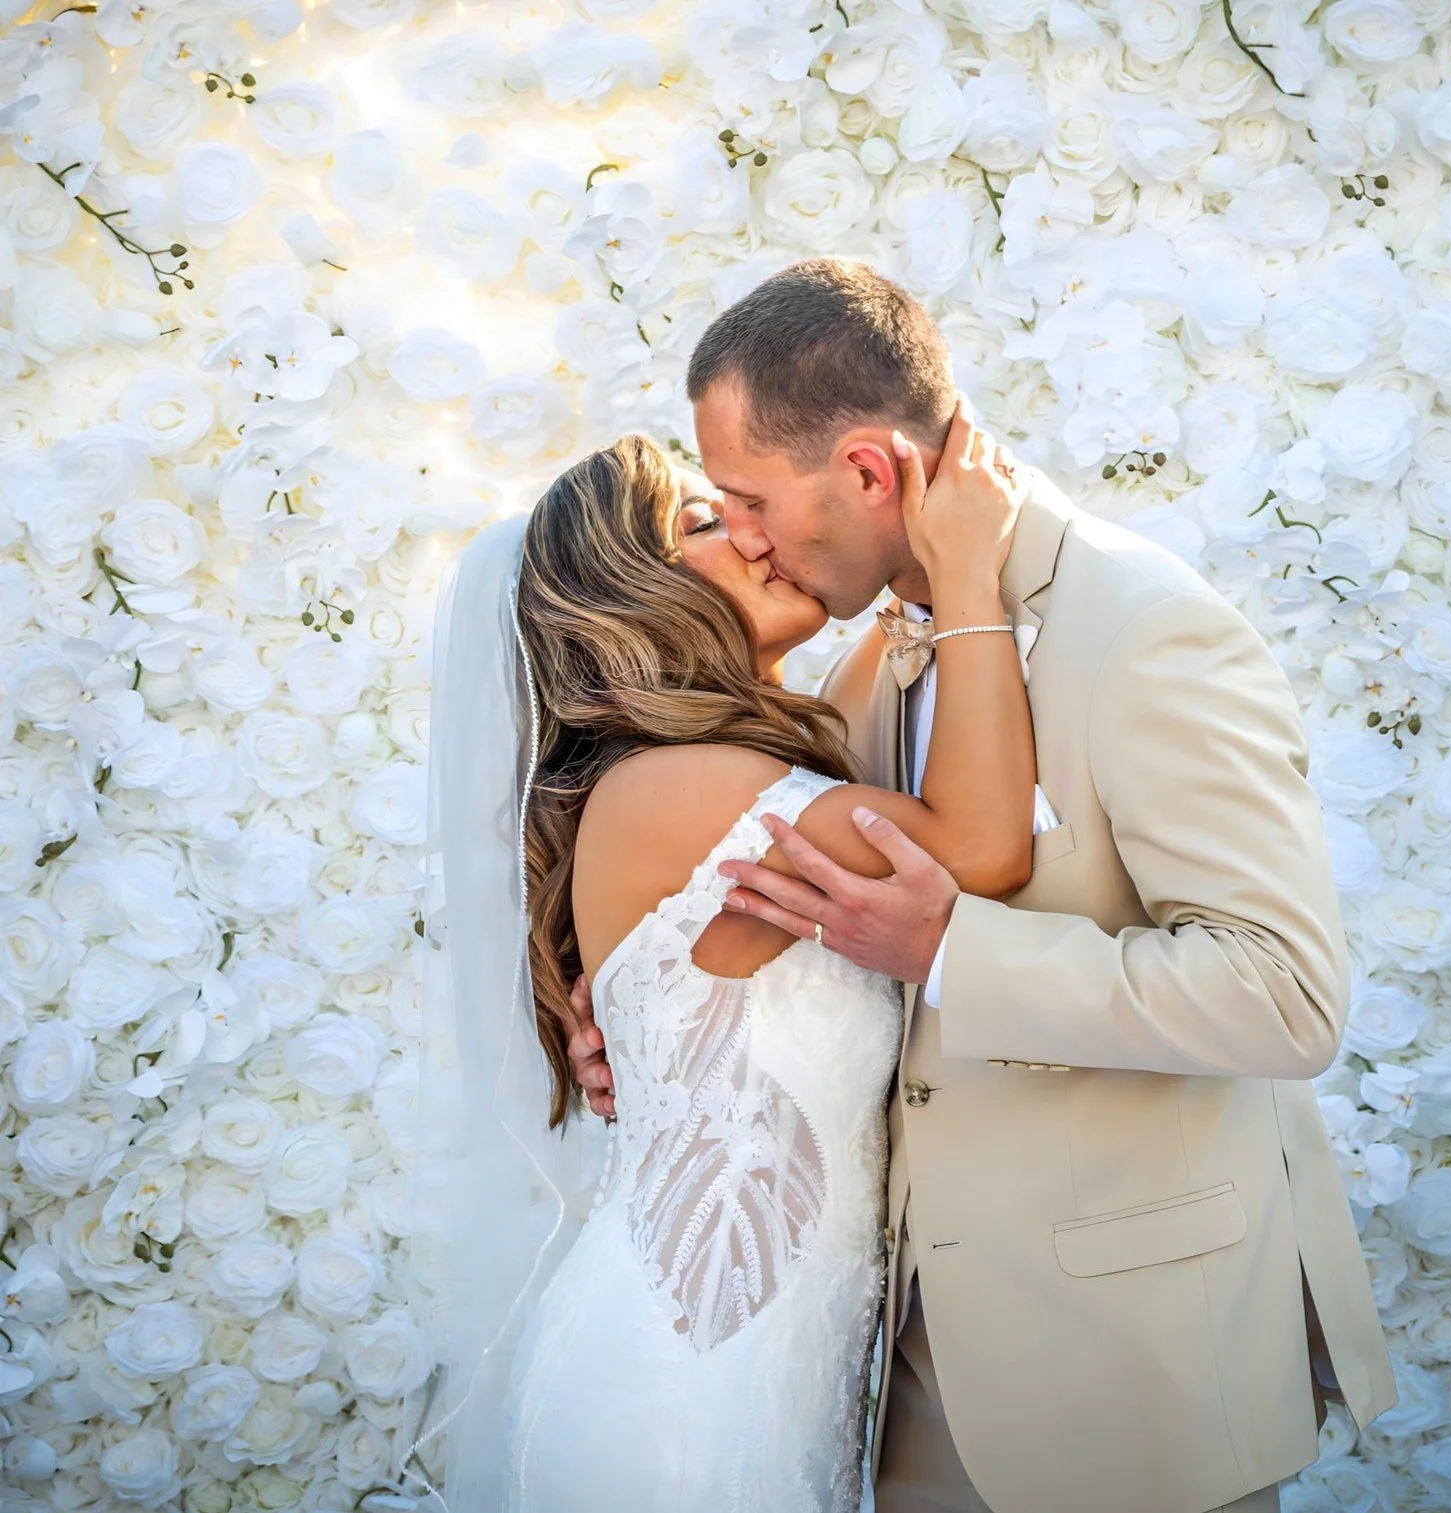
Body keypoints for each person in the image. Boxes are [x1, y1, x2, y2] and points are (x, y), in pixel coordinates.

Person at [566, 259, 1398, 1513]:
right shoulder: (860, 669)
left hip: (1121, 1374)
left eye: (744, 498)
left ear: (863, 470)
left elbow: (1283, 995)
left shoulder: (1142, 628)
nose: (736, 534)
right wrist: (645, 1013)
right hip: (887, 1372)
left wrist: (955, 951)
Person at [416, 409, 1040, 1513]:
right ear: (626, 595)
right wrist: (969, 579)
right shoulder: (685, 786)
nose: (758, 533)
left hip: (763, 1362)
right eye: (707, 520)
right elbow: (980, 851)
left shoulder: (715, 770)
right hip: (677, 1399)